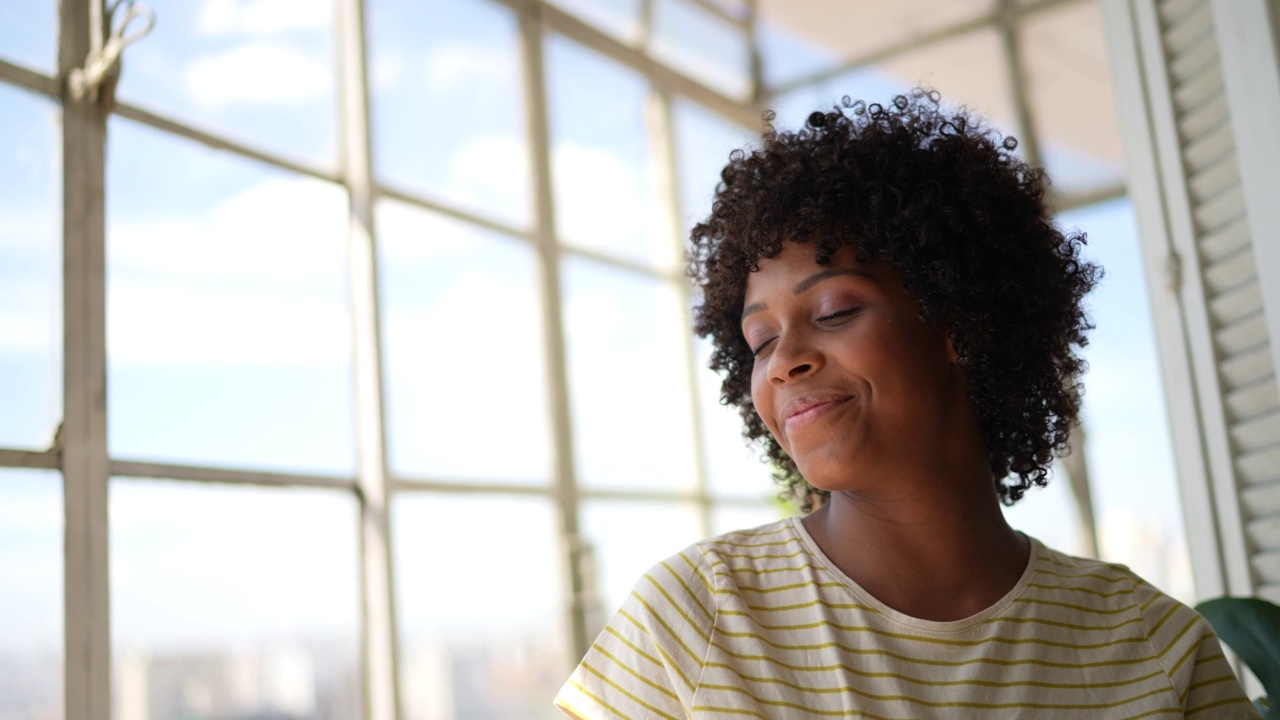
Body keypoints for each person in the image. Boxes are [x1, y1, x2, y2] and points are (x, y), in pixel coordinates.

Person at [553, 90, 1259, 719]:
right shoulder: (695, 620)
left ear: (958, 322)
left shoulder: (1153, 647)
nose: (784, 361)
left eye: (833, 310)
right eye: (759, 339)